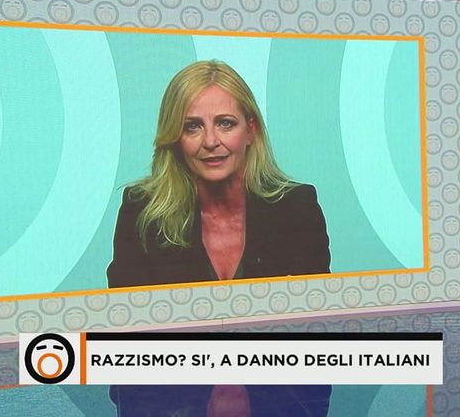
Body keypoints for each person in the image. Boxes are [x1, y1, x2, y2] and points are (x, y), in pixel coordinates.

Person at [107, 60, 330, 288]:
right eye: (192, 126)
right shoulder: (142, 213)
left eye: (225, 123)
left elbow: (319, 305)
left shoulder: (297, 210)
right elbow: (124, 307)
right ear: (175, 138)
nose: (211, 141)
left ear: (251, 131)